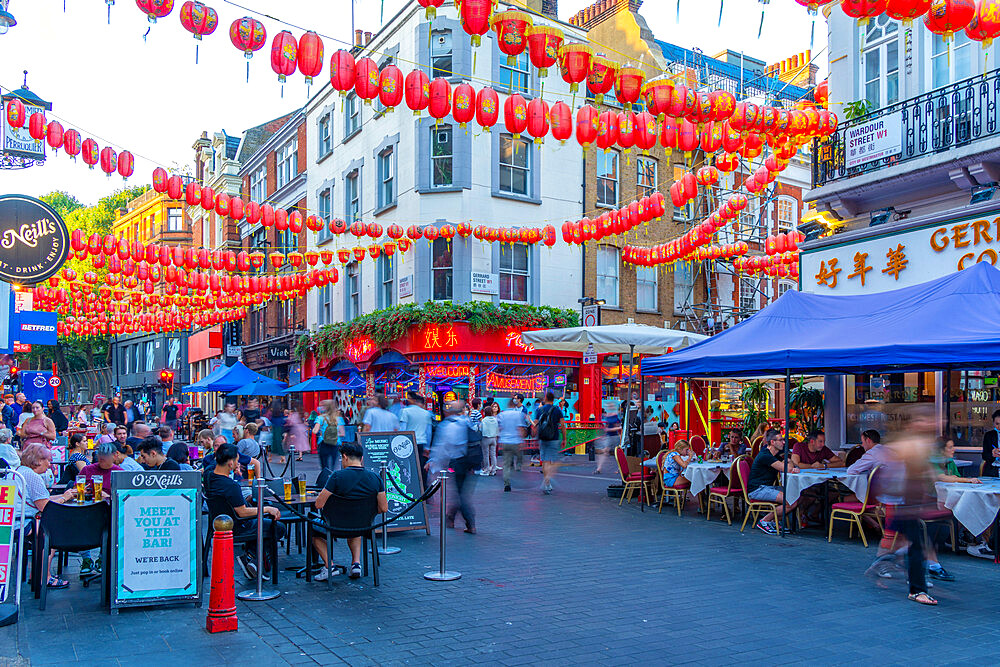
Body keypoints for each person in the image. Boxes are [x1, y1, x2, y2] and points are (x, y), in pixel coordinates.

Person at [311, 441, 388, 581]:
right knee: (355, 524)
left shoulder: (336, 477)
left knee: (314, 531)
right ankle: (356, 563)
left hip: (334, 526)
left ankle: (330, 566)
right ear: (362, 458)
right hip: (363, 525)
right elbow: (384, 508)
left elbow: (318, 504)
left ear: (345, 457)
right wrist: (367, 513)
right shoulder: (375, 477)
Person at [204, 443, 282, 580]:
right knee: (279, 528)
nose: (238, 463)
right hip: (238, 525)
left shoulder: (210, 475)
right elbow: (243, 512)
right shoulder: (231, 486)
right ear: (230, 462)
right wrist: (267, 508)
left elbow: (210, 466)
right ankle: (252, 558)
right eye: (236, 460)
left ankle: (253, 558)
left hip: (218, 521)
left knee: (264, 523)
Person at [14, 444, 76, 589]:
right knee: (51, 532)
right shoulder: (33, 477)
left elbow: (42, 500)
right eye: (48, 460)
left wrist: (65, 495)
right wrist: (65, 498)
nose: (49, 465)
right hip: (21, 522)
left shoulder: (20, 471)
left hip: (12, 520)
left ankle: (36, 574)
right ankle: (44, 577)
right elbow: (45, 507)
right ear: (38, 460)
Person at [932, 436, 993, 559]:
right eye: (950, 447)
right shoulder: (932, 463)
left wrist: (959, 479)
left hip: (950, 497)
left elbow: (955, 478)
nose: (953, 450)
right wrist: (968, 480)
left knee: (973, 502)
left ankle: (962, 536)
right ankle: (963, 536)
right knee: (971, 504)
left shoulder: (950, 462)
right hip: (934, 500)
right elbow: (943, 477)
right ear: (941, 450)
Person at [429, 400, 478, 533]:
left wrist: (435, 464)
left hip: (457, 461)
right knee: (460, 491)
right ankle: (450, 518)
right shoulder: (466, 421)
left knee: (460, 494)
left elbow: (443, 447)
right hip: (469, 461)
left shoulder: (447, 426)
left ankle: (469, 523)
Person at [746, 429, 800, 534]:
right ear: (772, 442)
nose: (784, 442)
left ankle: (774, 521)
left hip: (767, 487)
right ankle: (765, 520)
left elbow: (790, 461)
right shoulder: (765, 455)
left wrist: (789, 462)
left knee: (795, 495)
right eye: (780, 440)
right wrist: (789, 463)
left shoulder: (776, 453)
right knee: (791, 501)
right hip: (757, 489)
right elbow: (788, 468)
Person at [534, 392, 567, 495]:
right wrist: (564, 438)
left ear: (545, 398)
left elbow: (535, 424)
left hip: (543, 438)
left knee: (545, 461)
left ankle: (547, 483)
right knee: (554, 461)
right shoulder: (557, 410)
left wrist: (535, 435)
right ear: (554, 399)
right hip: (554, 437)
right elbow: (562, 425)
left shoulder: (540, 409)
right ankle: (547, 480)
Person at [498, 395, 530, 492]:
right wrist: (522, 440)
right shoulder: (518, 415)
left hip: (505, 441)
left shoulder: (502, 415)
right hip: (515, 441)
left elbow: (499, 428)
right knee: (520, 456)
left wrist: (499, 438)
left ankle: (507, 483)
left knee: (506, 464)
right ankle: (519, 465)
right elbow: (520, 428)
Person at [400, 392, 433, 479]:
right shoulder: (426, 413)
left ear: (414, 401)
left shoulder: (405, 411)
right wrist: (427, 447)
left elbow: (402, 429)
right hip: (421, 442)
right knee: (421, 465)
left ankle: (410, 484)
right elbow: (428, 432)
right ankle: (422, 486)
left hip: (408, 442)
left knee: (409, 465)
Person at [313, 401, 342, 472]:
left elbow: (314, 431)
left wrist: (321, 431)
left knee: (325, 466)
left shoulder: (320, 418)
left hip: (324, 443)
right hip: (335, 443)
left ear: (326, 407)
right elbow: (342, 433)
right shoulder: (339, 419)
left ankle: (325, 480)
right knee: (333, 466)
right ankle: (332, 479)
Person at [596, 404, 622, 475]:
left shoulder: (615, 417)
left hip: (615, 436)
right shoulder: (607, 416)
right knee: (605, 452)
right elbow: (605, 426)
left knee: (616, 453)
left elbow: (619, 427)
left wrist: (609, 429)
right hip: (608, 436)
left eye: (611, 406)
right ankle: (599, 468)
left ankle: (620, 468)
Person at [480, 402, 499, 476]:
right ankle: (493, 470)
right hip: (494, 438)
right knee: (493, 455)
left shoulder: (484, 420)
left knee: (486, 455)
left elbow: (482, 429)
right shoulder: (495, 419)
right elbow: (497, 429)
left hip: (486, 438)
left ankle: (487, 470)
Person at [981, 409, 1000, 477]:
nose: (999, 427)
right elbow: (984, 455)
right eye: (997, 424)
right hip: (992, 470)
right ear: (993, 423)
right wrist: (992, 453)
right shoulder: (989, 435)